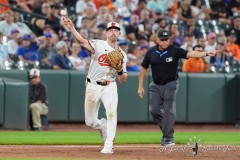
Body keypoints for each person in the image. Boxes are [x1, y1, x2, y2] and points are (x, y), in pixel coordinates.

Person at [138, 29, 217, 146]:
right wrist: (140, 86)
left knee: (168, 109)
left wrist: (205, 53)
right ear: (157, 40)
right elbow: (143, 68)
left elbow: (191, 54)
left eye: (167, 40)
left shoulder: (174, 50)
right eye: (163, 40)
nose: (165, 42)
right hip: (155, 84)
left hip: (171, 83)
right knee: (154, 110)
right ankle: (167, 131)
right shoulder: (151, 52)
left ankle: (168, 138)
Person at [62, 16, 127, 154]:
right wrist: (71, 28)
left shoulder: (122, 54)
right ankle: (102, 127)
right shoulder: (98, 44)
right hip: (93, 85)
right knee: (90, 121)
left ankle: (109, 145)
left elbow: (123, 79)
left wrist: (120, 69)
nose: (113, 32)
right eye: (110, 30)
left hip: (110, 85)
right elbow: (81, 41)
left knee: (111, 113)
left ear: (119, 33)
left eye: (116, 30)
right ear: (106, 32)